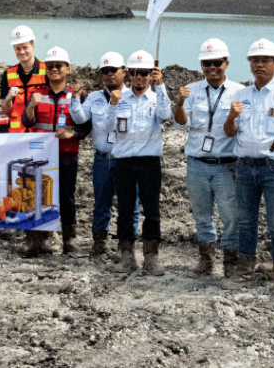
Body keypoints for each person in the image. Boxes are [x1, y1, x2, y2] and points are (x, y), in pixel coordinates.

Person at [222, 39, 274, 299]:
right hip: (245, 166)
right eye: (254, 60)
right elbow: (229, 132)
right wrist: (231, 117)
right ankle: (245, 272)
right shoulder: (241, 96)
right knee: (246, 221)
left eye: (265, 60)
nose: (258, 65)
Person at [173, 39, 242, 277]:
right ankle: (207, 261)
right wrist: (180, 103)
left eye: (217, 62)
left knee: (231, 217)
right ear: (201, 65)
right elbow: (182, 125)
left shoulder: (238, 92)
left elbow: (240, 129)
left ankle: (231, 264)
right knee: (202, 215)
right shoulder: (191, 91)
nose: (212, 67)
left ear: (226, 63)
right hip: (197, 165)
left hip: (226, 165)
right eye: (206, 63)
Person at [19, 47, 90, 257]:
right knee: (38, 197)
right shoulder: (37, 94)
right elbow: (26, 121)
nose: (54, 69)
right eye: (50, 66)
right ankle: (40, 239)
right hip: (41, 157)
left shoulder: (77, 96)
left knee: (66, 197)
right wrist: (31, 107)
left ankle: (70, 240)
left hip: (67, 155)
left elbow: (87, 126)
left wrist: (72, 133)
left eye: (59, 66)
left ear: (67, 69)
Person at [70, 52, 140, 256]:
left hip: (126, 159)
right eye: (105, 71)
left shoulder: (133, 96)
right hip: (102, 158)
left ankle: (126, 245)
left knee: (129, 204)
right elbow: (81, 118)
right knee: (101, 202)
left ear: (124, 72)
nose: (110, 74)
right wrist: (75, 99)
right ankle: (99, 243)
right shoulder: (94, 97)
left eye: (114, 70)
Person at [111, 50, 172, 276]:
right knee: (125, 209)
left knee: (152, 210)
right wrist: (111, 104)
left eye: (144, 73)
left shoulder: (157, 98)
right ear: (128, 74)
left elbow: (167, 116)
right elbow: (108, 125)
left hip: (149, 162)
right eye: (135, 72)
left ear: (151, 74)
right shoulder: (119, 98)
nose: (139, 77)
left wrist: (161, 86)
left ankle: (151, 257)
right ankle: (126, 255)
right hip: (124, 162)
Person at [0, 25, 48, 133]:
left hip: (39, 133)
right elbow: (6, 111)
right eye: (17, 48)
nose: (21, 52)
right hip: (17, 135)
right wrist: (8, 98)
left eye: (25, 47)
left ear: (33, 46)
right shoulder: (8, 74)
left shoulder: (46, 71)